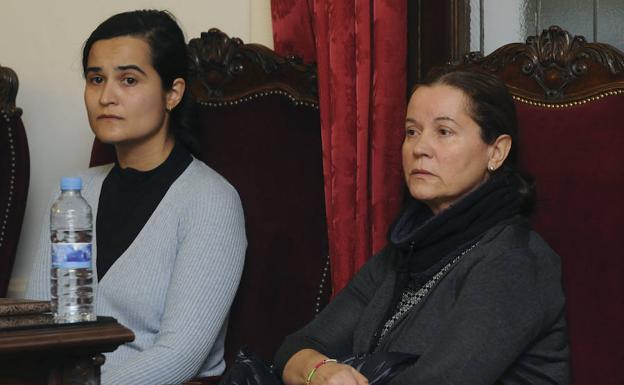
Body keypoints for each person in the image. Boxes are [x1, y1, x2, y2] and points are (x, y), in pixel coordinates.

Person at [273, 70, 570, 385]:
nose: (419, 148)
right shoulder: (406, 248)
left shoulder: (514, 261)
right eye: (412, 131)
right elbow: (296, 348)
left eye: (443, 131)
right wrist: (320, 371)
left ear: (496, 152)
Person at [25, 10, 247, 385]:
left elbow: (179, 356)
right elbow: (37, 324)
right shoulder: (72, 195)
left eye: (128, 79)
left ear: (172, 93)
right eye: (96, 79)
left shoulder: (211, 202)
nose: (106, 96)